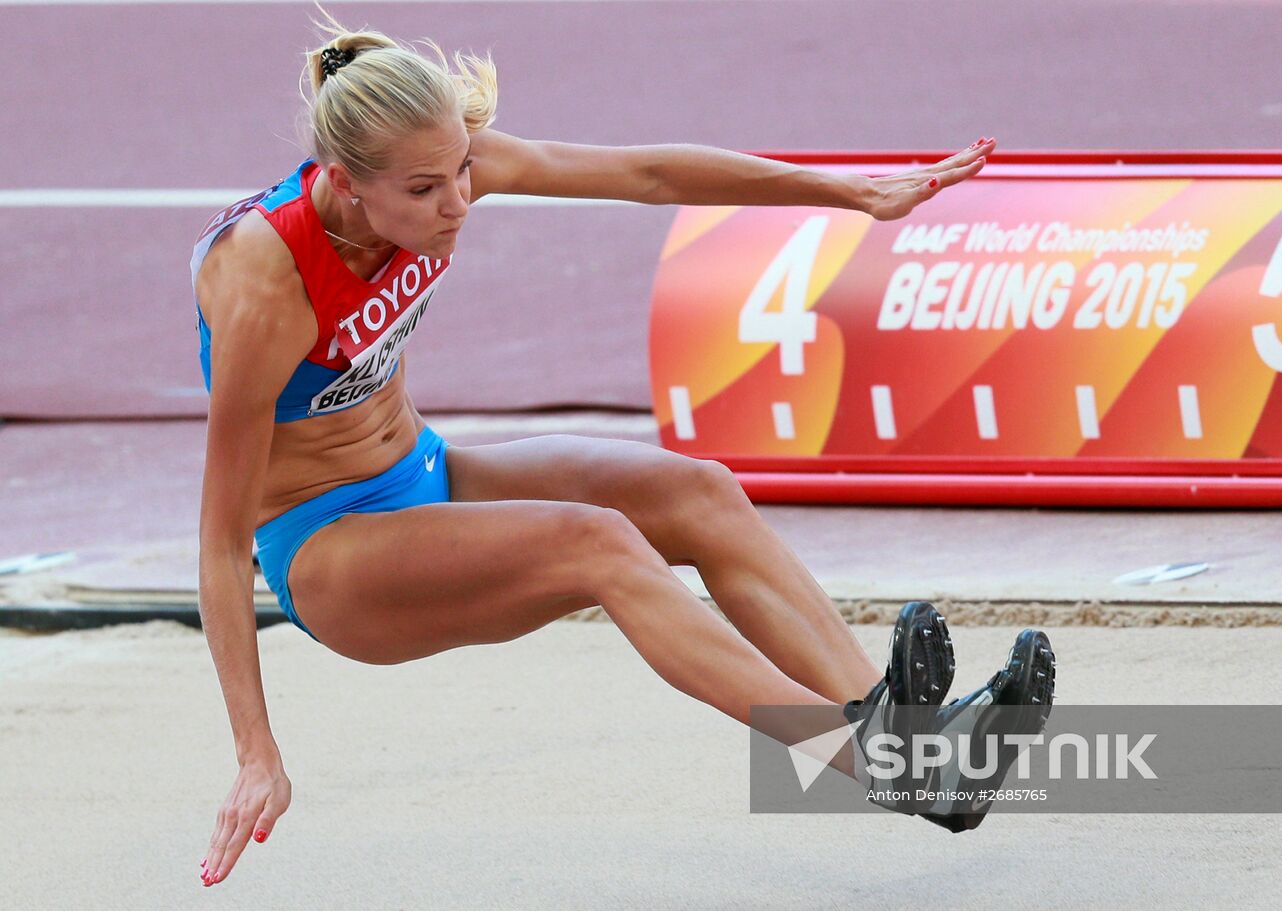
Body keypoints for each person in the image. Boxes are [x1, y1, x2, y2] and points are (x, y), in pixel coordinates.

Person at [191, 14, 1053, 888]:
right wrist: (257, 751)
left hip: (425, 472)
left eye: (463, 173)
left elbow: (648, 174)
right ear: (345, 183)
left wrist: (849, 193)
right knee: (596, 540)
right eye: (425, 190)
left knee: (698, 491)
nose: (457, 204)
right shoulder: (265, 281)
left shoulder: (438, 161)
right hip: (329, 551)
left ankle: (906, 735)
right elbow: (221, 543)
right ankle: (865, 760)